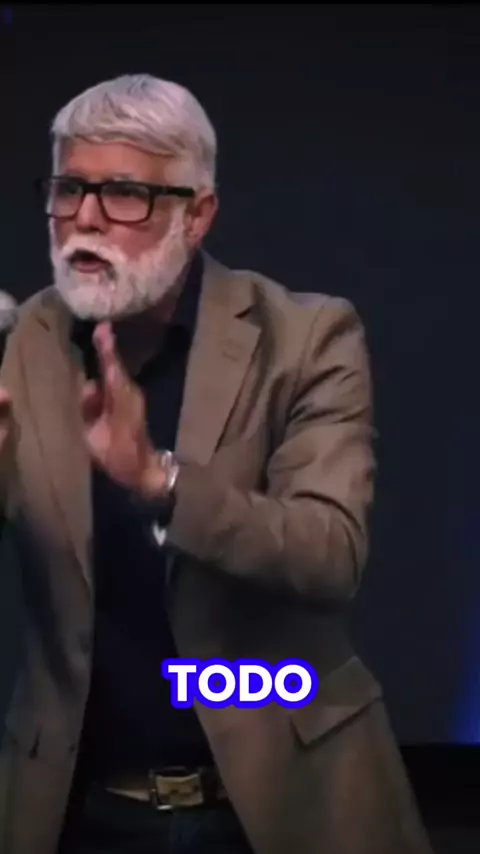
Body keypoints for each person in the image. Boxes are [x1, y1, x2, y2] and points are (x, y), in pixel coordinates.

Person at [0, 74, 432, 854]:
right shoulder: (21, 345)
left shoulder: (305, 338)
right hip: (74, 807)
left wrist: (159, 481)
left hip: (280, 803)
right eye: (68, 189)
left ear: (196, 215)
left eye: (123, 193)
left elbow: (329, 554)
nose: (85, 219)